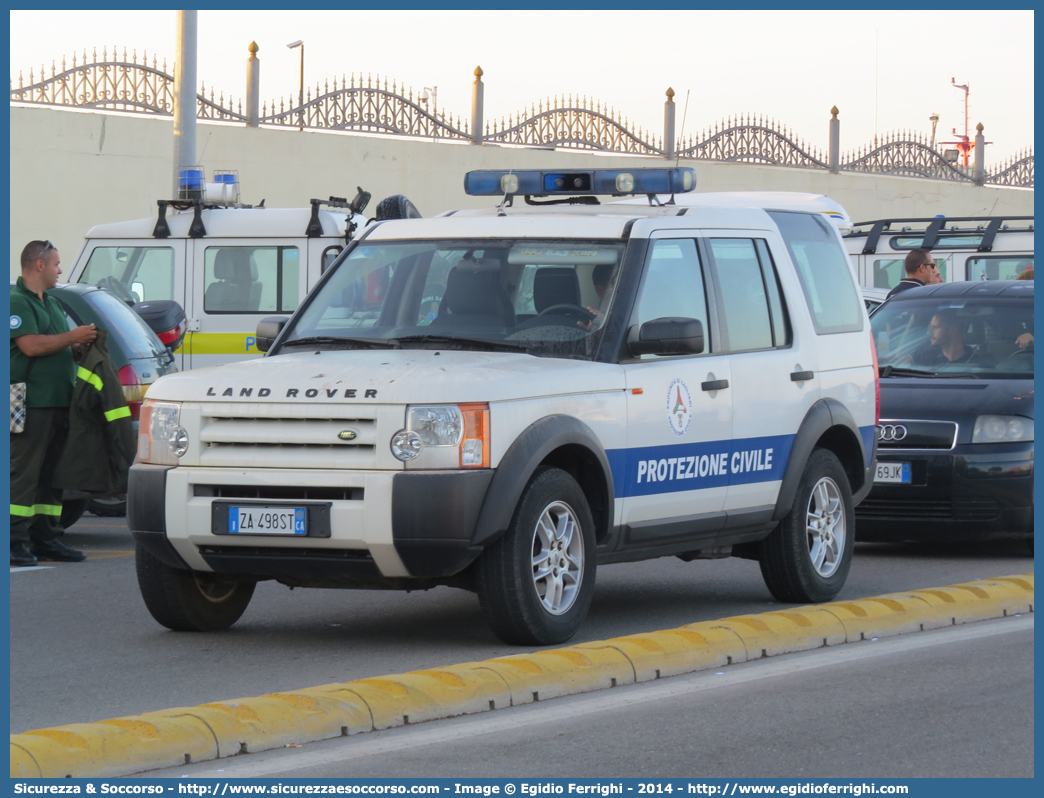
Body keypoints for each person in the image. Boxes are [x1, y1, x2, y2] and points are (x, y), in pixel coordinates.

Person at [10, 240, 97, 567]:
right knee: (22, 471)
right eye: (57, 263)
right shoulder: (16, 302)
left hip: (58, 400)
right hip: (27, 400)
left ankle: (45, 537)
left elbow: (56, 347)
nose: (61, 269)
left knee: (51, 473)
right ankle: (14, 540)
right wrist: (72, 337)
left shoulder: (52, 303)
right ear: (39, 265)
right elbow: (31, 345)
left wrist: (78, 347)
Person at [577, 263, 615, 331]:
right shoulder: (587, 321)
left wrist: (606, 325)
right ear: (600, 291)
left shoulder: (631, 315)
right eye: (615, 284)